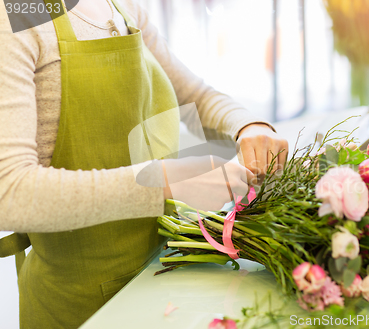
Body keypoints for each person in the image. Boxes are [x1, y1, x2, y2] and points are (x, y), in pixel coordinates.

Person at [0, 0, 288, 328]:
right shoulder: (17, 16)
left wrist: (248, 126)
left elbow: (195, 94)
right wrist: (160, 183)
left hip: (163, 273)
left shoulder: (120, 7)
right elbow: (8, 192)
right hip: (79, 306)